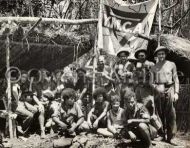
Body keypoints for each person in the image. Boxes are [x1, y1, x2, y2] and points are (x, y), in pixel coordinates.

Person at [150, 46, 179, 144]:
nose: (161, 55)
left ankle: (171, 137)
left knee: (171, 113)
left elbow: (176, 79)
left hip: (169, 88)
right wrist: (156, 88)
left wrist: (176, 93)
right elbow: (151, 82)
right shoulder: (154, 67)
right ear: (156, 56)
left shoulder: (171, 64)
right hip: (159, 89)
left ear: (165, 54)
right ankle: (162, 134)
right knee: (159, 113)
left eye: (162, 54)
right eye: (159, 54)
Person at [13, 71, 45, 138]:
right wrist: (18, 101)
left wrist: (39, 103)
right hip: (16, 104)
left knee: (37, 109)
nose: (24, 79)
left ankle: (23, 128)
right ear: (19, 77)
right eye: (23, 77)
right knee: (30, 115)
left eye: (25, 77)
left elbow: (31, 94)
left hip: (23, 102)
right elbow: (14, 92)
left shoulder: (24, 85)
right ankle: (21, 128)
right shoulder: (15, 84)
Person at [134, 48, 155, 115]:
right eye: (139, 56)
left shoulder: (150, 64)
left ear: (145, 56)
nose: (140, 57)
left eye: (142, 55)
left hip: (147, 88)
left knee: (147, 104)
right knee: (138, 104)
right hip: (138, 87)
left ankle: (150, 120)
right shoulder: (138, 64)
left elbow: (154, 75)